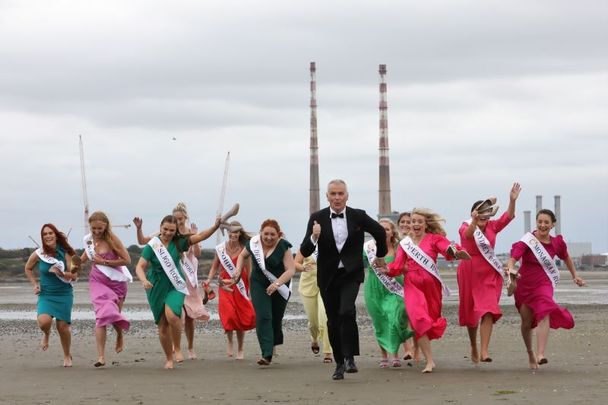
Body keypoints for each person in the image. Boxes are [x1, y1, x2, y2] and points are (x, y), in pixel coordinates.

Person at [300, 179, 388, 380]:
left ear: (347, 196)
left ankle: (350, 358)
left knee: (347, 311)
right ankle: (339, 363)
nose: (337, 197)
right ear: (327, 196)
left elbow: (379, 231)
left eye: (341, 194)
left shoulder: (358, 216)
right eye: (333, 194)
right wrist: (314, 237)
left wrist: (380, 255)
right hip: (327, 276)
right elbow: (305, 249)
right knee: (333, 320)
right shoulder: (317, 218)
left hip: (351, 274)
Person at [385, 208, 470, 373]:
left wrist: (454, 251)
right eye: (412, 221)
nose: (415, 224)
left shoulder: (433, 239)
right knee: (419, 319)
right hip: (412, 284)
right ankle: (429, 361)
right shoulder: (405, 244)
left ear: (425, 224)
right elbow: (396, 267)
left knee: (430, 318)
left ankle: (425, 354)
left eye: (419, 221)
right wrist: (386, 269)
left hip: (431, 286)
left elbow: (447, 248)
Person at [134, 214, 219, 369]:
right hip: (155, 286)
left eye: (171, 230)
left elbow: (199, 237)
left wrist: (214, 227)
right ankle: (168, 358)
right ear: (160, 227)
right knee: (162, 326)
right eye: (165, 229)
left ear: (175, 231)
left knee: (172, 315)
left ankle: (178, 347)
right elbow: (139, 266)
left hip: (175, 285)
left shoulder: (179, 243)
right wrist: (144, 280)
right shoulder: (152, 245)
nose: (168, 233)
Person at [506, 209, 586, 369]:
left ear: (553, 224)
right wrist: (510, 271)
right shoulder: (527, 241)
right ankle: (530, 353)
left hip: (544, 284)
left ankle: (541, 353)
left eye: (546, 222)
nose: (542, 225)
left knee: (545, 309)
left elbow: (566, 257)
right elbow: (513, 258)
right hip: (524, 284)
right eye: (540, 222)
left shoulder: (557, 243)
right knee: (527, 323)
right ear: (536, 223)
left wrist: (575, 275)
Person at [457, 183, 521, 363]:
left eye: (487, 211)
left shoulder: (493, 226)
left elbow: (508, 216)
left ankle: (485, 350)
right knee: (471, 313)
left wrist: (512, 200)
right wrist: (474, 221)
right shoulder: (465, 226)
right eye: (481, 212)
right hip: (469, 271)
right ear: (474, 213)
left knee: (488, 310)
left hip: (488, 273)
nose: (484, 215)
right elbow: (468, 235)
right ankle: (473, 346)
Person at [224, 219, 295, 366]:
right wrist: (238, 270)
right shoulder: (253, 243)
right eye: (266, 234)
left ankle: (273, 341)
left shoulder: (284, 246)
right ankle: (266, 354)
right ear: (260, 233)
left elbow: (291, 270)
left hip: (280, 284)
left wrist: (276, 284)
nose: (269, 238)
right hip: (258, 283)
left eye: (272, 235)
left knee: (275, 317)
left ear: (279, 234)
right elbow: (243, 256)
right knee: (263, 316)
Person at [81, 211, 132, 367]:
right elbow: (82, 259)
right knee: (102, 317)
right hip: (97, 281)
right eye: (93, 228)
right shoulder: (89, 241)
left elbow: (127, 260)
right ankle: (101, 357)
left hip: (116, 283)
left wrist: (103, 262)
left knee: (114, 315)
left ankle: (119, 334)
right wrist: (71, 268)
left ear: (106, 226)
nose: (96, 232)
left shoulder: (112, 240)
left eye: (100, 229)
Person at [24, 224, 78, 367]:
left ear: (56, 235)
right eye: (45, 234)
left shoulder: (66, 252)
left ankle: (67, 355)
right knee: (44, 322)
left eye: (50, 233)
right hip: (46, 294)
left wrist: (62, 273)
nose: (48, 236)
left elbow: (74, 275)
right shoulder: (39, 253)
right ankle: (46, 334)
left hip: (64, 293)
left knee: (62, 327)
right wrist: (34, 284)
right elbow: (28, 268)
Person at [363, 218, 413, 368]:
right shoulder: (368, 248)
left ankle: (395, 352)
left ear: (392, 232)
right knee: (380, 323)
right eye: (380, 228)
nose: (383, 231)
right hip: (373, 289)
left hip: (395, 287)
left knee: (396, 316)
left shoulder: (399, 248)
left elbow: (408, 267)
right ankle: (385, 356)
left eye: (387, 229)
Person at [206, 221, 256, 360]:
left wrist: (251, 292)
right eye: (231, 232)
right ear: (227, 233)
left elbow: (248, 270)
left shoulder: (244, 249)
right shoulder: (220, 249)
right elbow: (214, 267)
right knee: (228, 314)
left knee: (240, 316)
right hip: (224, 284)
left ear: (240, 233)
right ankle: (229, 341)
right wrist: (209, 280)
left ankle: (240, 348)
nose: (233, 234)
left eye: (236, 232)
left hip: (241, 284)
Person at [294, 249, 333, 363]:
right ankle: (314, 338)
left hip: (326, 285)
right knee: (313, 321)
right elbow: (295, 263)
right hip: (308, 285)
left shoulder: (331, 243)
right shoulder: (307, 245)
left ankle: (327, 351)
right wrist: (302, 268)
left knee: (324, 318)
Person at [396, 211, 417, 361]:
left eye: (408, 222)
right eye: (402, 222)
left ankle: (416, 347)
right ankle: (407, 348)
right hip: (396, 282)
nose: (405, 224)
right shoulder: (395, 240)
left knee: (414, 316)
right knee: (401, 316)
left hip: (412, 281)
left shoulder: (416, 240)